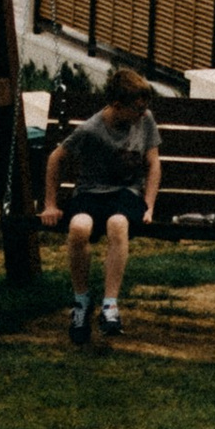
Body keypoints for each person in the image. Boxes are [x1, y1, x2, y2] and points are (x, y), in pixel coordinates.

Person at [42, 67, 162, 346]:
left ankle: (110, 305)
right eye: (138, 109)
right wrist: (50, 203)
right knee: (78, 227)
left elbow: (153, 163)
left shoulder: (145, 120)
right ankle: (81, 302)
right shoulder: (92, 129)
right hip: (91, 194)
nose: (143, 114)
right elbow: (55, 159)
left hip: (126, 194)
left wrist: (149, 206)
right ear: (118, 106)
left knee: (117, 224)